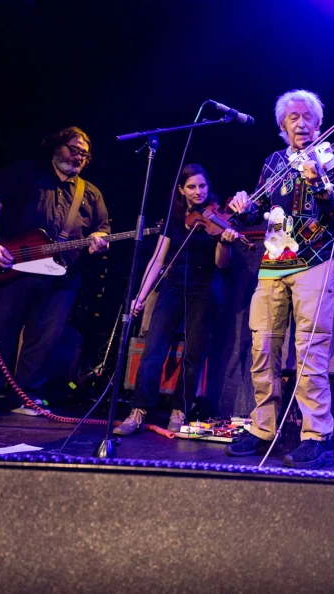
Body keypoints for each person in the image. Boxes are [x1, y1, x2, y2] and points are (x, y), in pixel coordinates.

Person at [224, 89, 334, 469]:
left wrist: (317, 183)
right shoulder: (274, 161)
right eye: (293, 117)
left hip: (316, 259)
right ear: (282, 126)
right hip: (275, 260)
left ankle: (317, 434)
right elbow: (255, 212)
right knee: (263, 345)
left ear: (318, 122)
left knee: (310, 350)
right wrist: (242, 204)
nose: (301, 122)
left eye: (307, 116)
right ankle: (264, 427)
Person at [0, 127, 110, 416]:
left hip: (63, 275)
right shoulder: (25, 172)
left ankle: (30, 396)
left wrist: (97, 241)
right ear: (57, 147)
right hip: (12, 265)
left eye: (84, 154)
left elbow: (101, 228)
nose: (78, 157)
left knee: (45, 337)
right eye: (73, 149)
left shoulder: (90, 193)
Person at [114, 164, 240, 435]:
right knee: (153, 349)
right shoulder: (174, 218)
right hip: (172, 285)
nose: (198, 192)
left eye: (202, 186)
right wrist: (140, 296)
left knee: (194, 353)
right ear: (181, 190)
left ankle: (179, 409)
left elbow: (221, 264)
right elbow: (158, 259)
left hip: (205, 287)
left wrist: (225, 243)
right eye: (192, 187)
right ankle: (139, 410)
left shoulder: (220, 218)